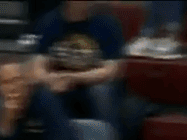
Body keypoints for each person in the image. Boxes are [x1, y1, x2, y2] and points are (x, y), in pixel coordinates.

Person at [29, 1, 124, 132]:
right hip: (59, 84)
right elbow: (36, 68)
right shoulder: (48, 22)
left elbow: (112, 70)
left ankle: (110, 139)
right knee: (43, 93)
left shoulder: (107, 23)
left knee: (102, 91)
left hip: (93, 83)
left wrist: (71, 78)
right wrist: (50, 80)